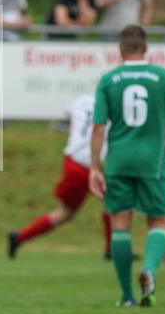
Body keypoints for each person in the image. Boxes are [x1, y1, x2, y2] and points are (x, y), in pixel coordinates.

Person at [87, 25, 165, 307]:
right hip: (152, 161)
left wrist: (95, 167)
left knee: (120, 224)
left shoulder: (109, 79)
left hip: (118, 160)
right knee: (158, 220)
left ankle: (126, 295)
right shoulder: (164, 78)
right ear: (146, 48)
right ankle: (149, 270)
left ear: (120, 49)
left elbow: (98, 127)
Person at [7, 94, 115, 260]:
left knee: (104, 204)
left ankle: (19, 237)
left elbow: (65, 120)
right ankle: (111, 250)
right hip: (86, 165)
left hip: (73, 160)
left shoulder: (82, 101)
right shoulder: (113, 108)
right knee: (69, 212)